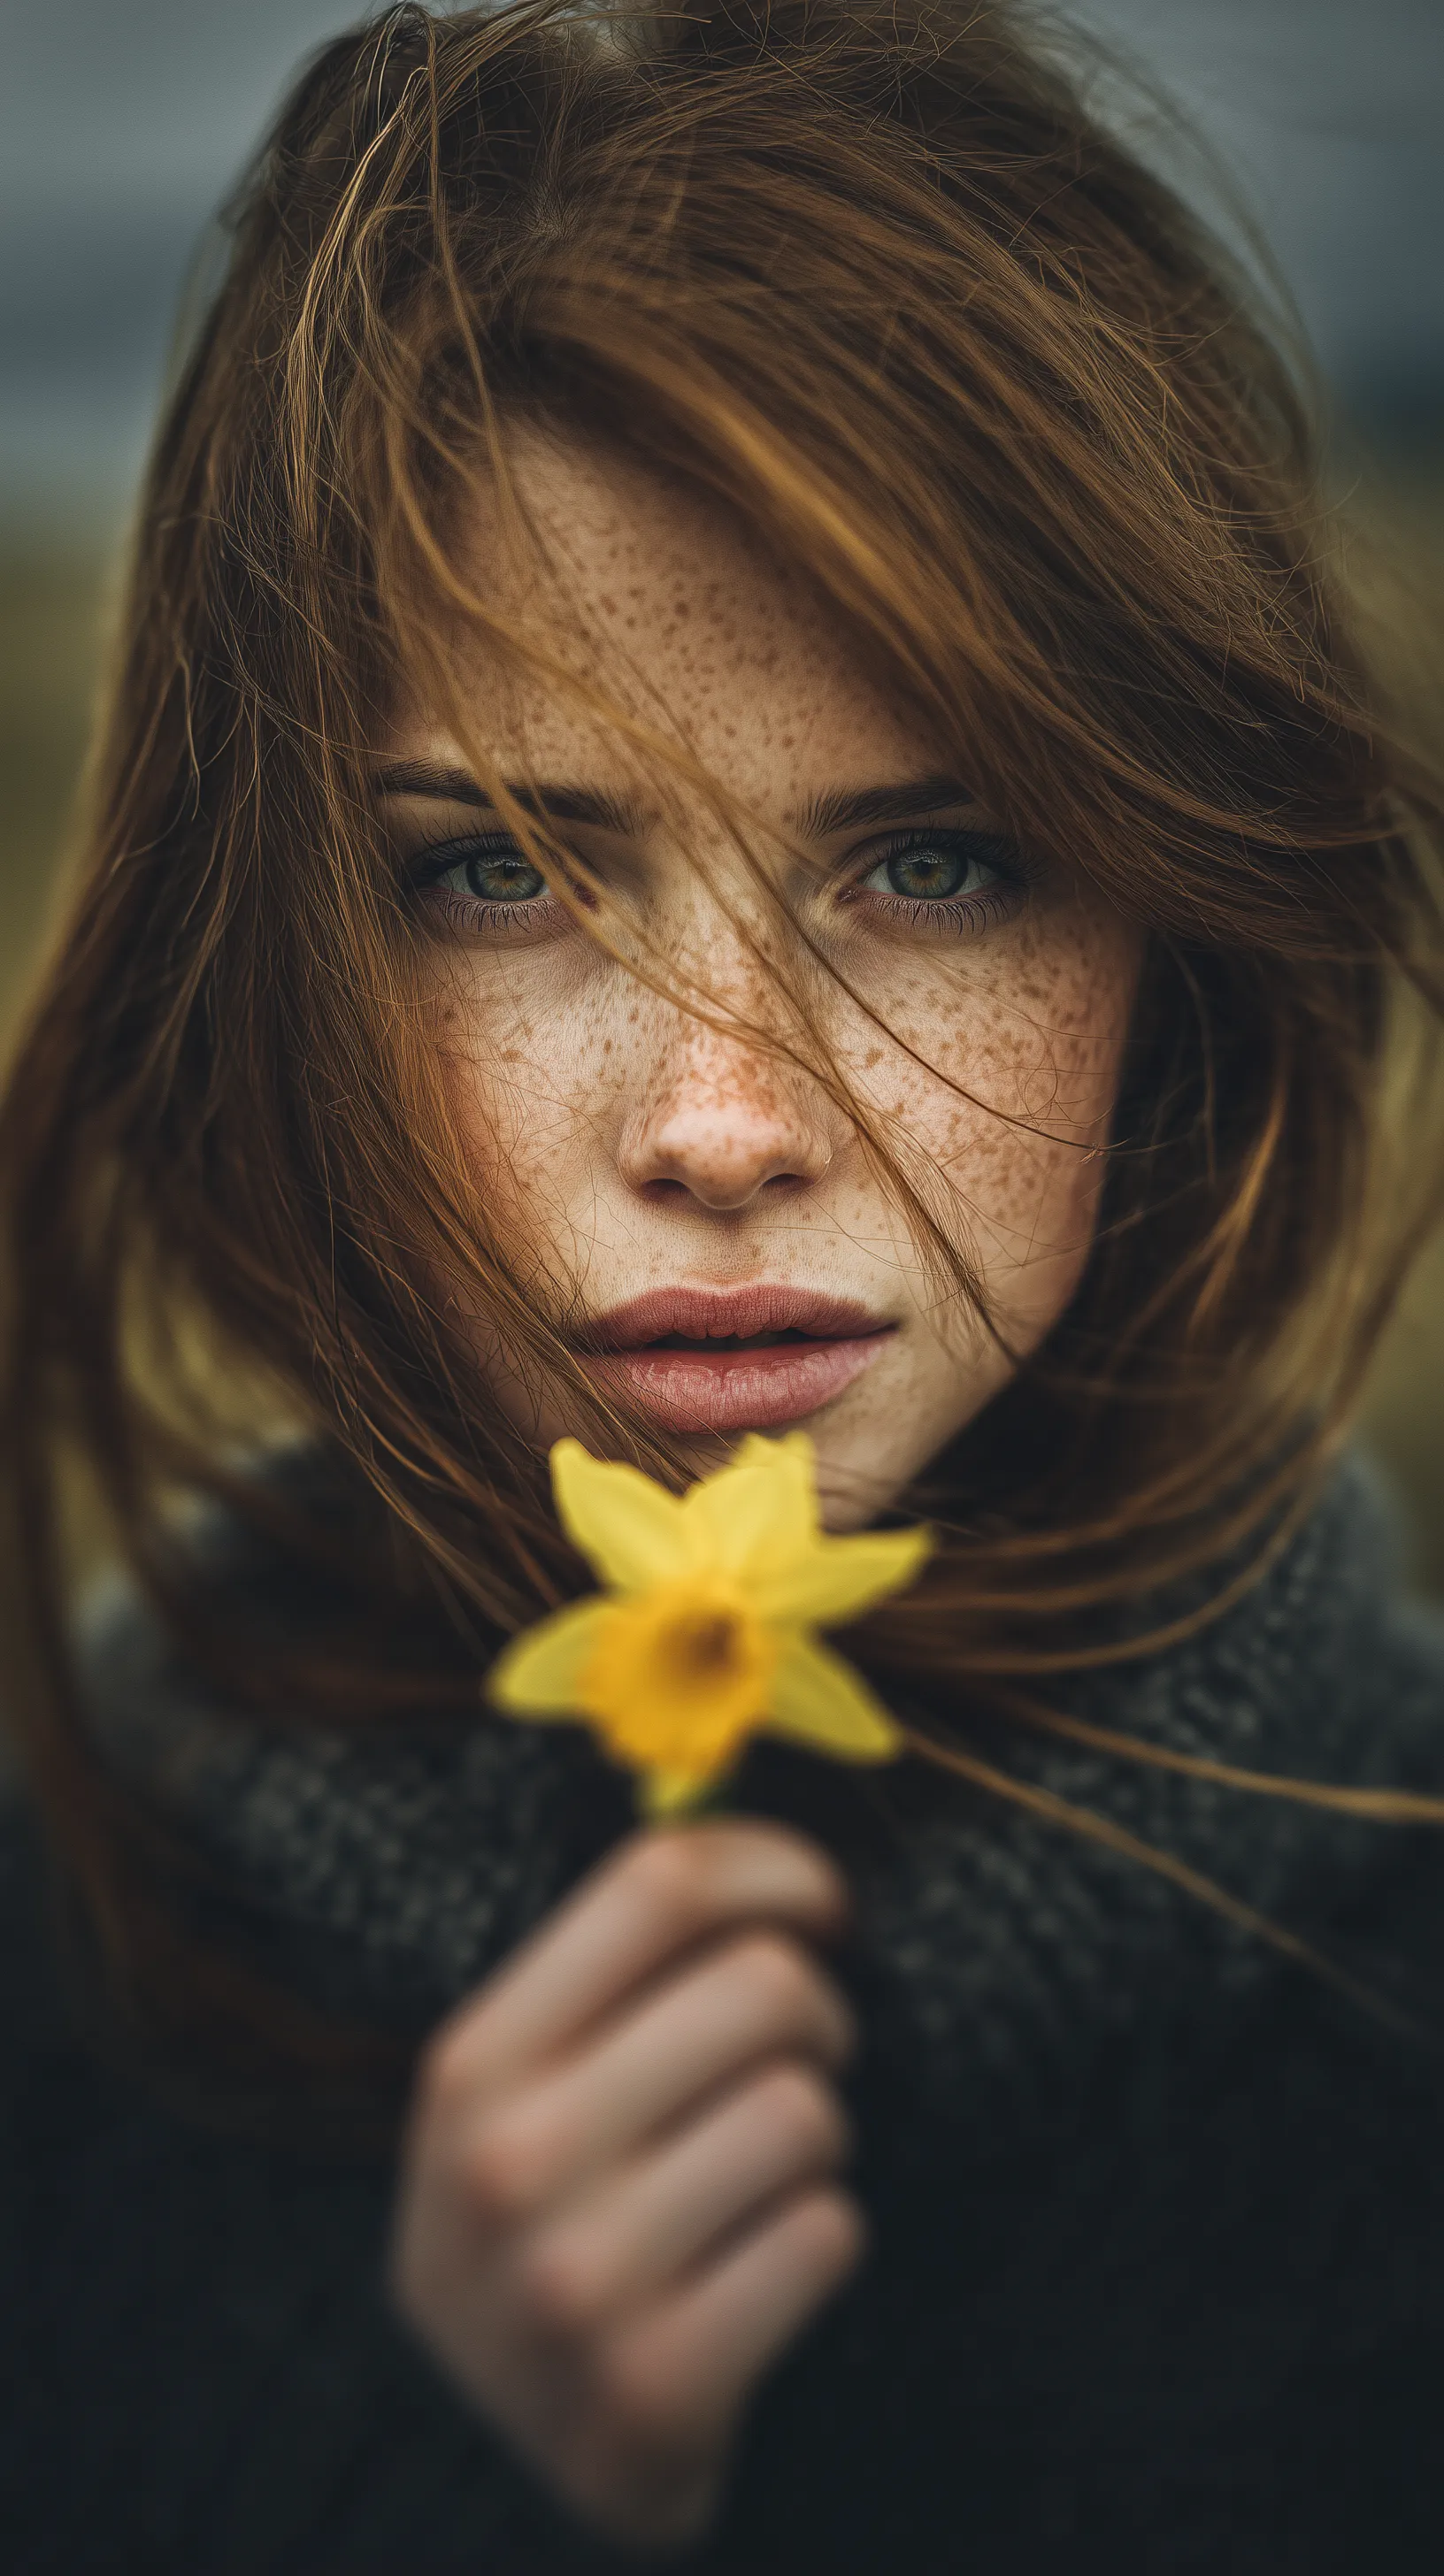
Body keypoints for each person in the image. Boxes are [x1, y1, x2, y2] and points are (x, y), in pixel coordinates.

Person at [2, 2, 1443, 2567]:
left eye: (936, 864)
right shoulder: (69, 1969)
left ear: (1183, 935)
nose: (723, 1122)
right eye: (496, 872)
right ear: (266, 952)